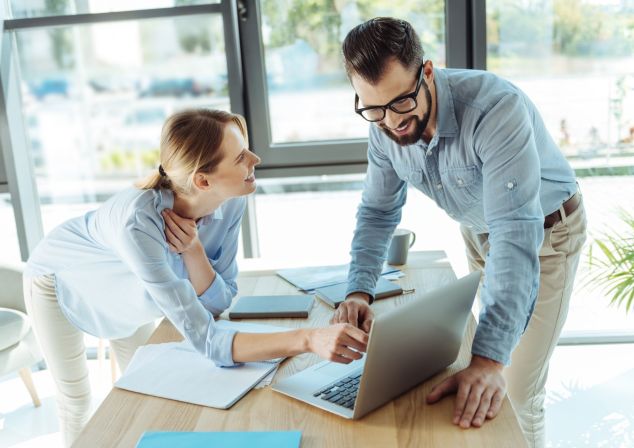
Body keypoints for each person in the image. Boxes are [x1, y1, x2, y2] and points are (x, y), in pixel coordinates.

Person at [23, 109, 368, 447]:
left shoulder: (231, 200)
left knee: (150, 395)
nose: (256, 159)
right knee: (76, 400)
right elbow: (209, 341)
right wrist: (309, 339)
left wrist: (194, 251)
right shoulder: (138, 223)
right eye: (240, 156)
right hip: (59, 282)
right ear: (203, 180)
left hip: (134, 293)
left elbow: (219, 301)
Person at [330, 18, 587, 448]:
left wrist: (489, 361)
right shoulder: (382, 126)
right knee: (470, 379)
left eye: (400, 103)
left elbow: (514, 234)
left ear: (427, 72)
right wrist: (358, 291)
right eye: (372, 109)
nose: (391, 122)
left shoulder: (493, 109)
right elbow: (377, 212)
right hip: (479, 231)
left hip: (544, 235)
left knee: (514, 391)